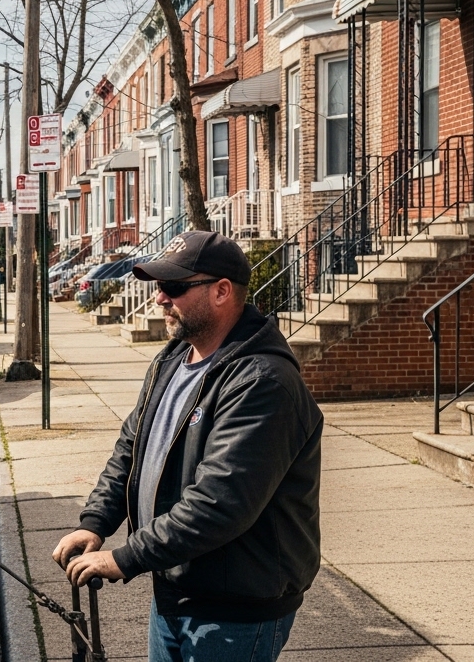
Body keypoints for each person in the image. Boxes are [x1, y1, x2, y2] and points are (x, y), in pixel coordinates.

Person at [51, 230, 323, 662]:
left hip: (235, 608)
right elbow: (132, 448)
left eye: (174, 287)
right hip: (177, 589)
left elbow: (221, 502)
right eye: (159, 286)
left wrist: (126, 557)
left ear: (221, 292)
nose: (160, 298)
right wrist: (95, 522)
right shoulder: (174, 358)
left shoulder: (261, 381)